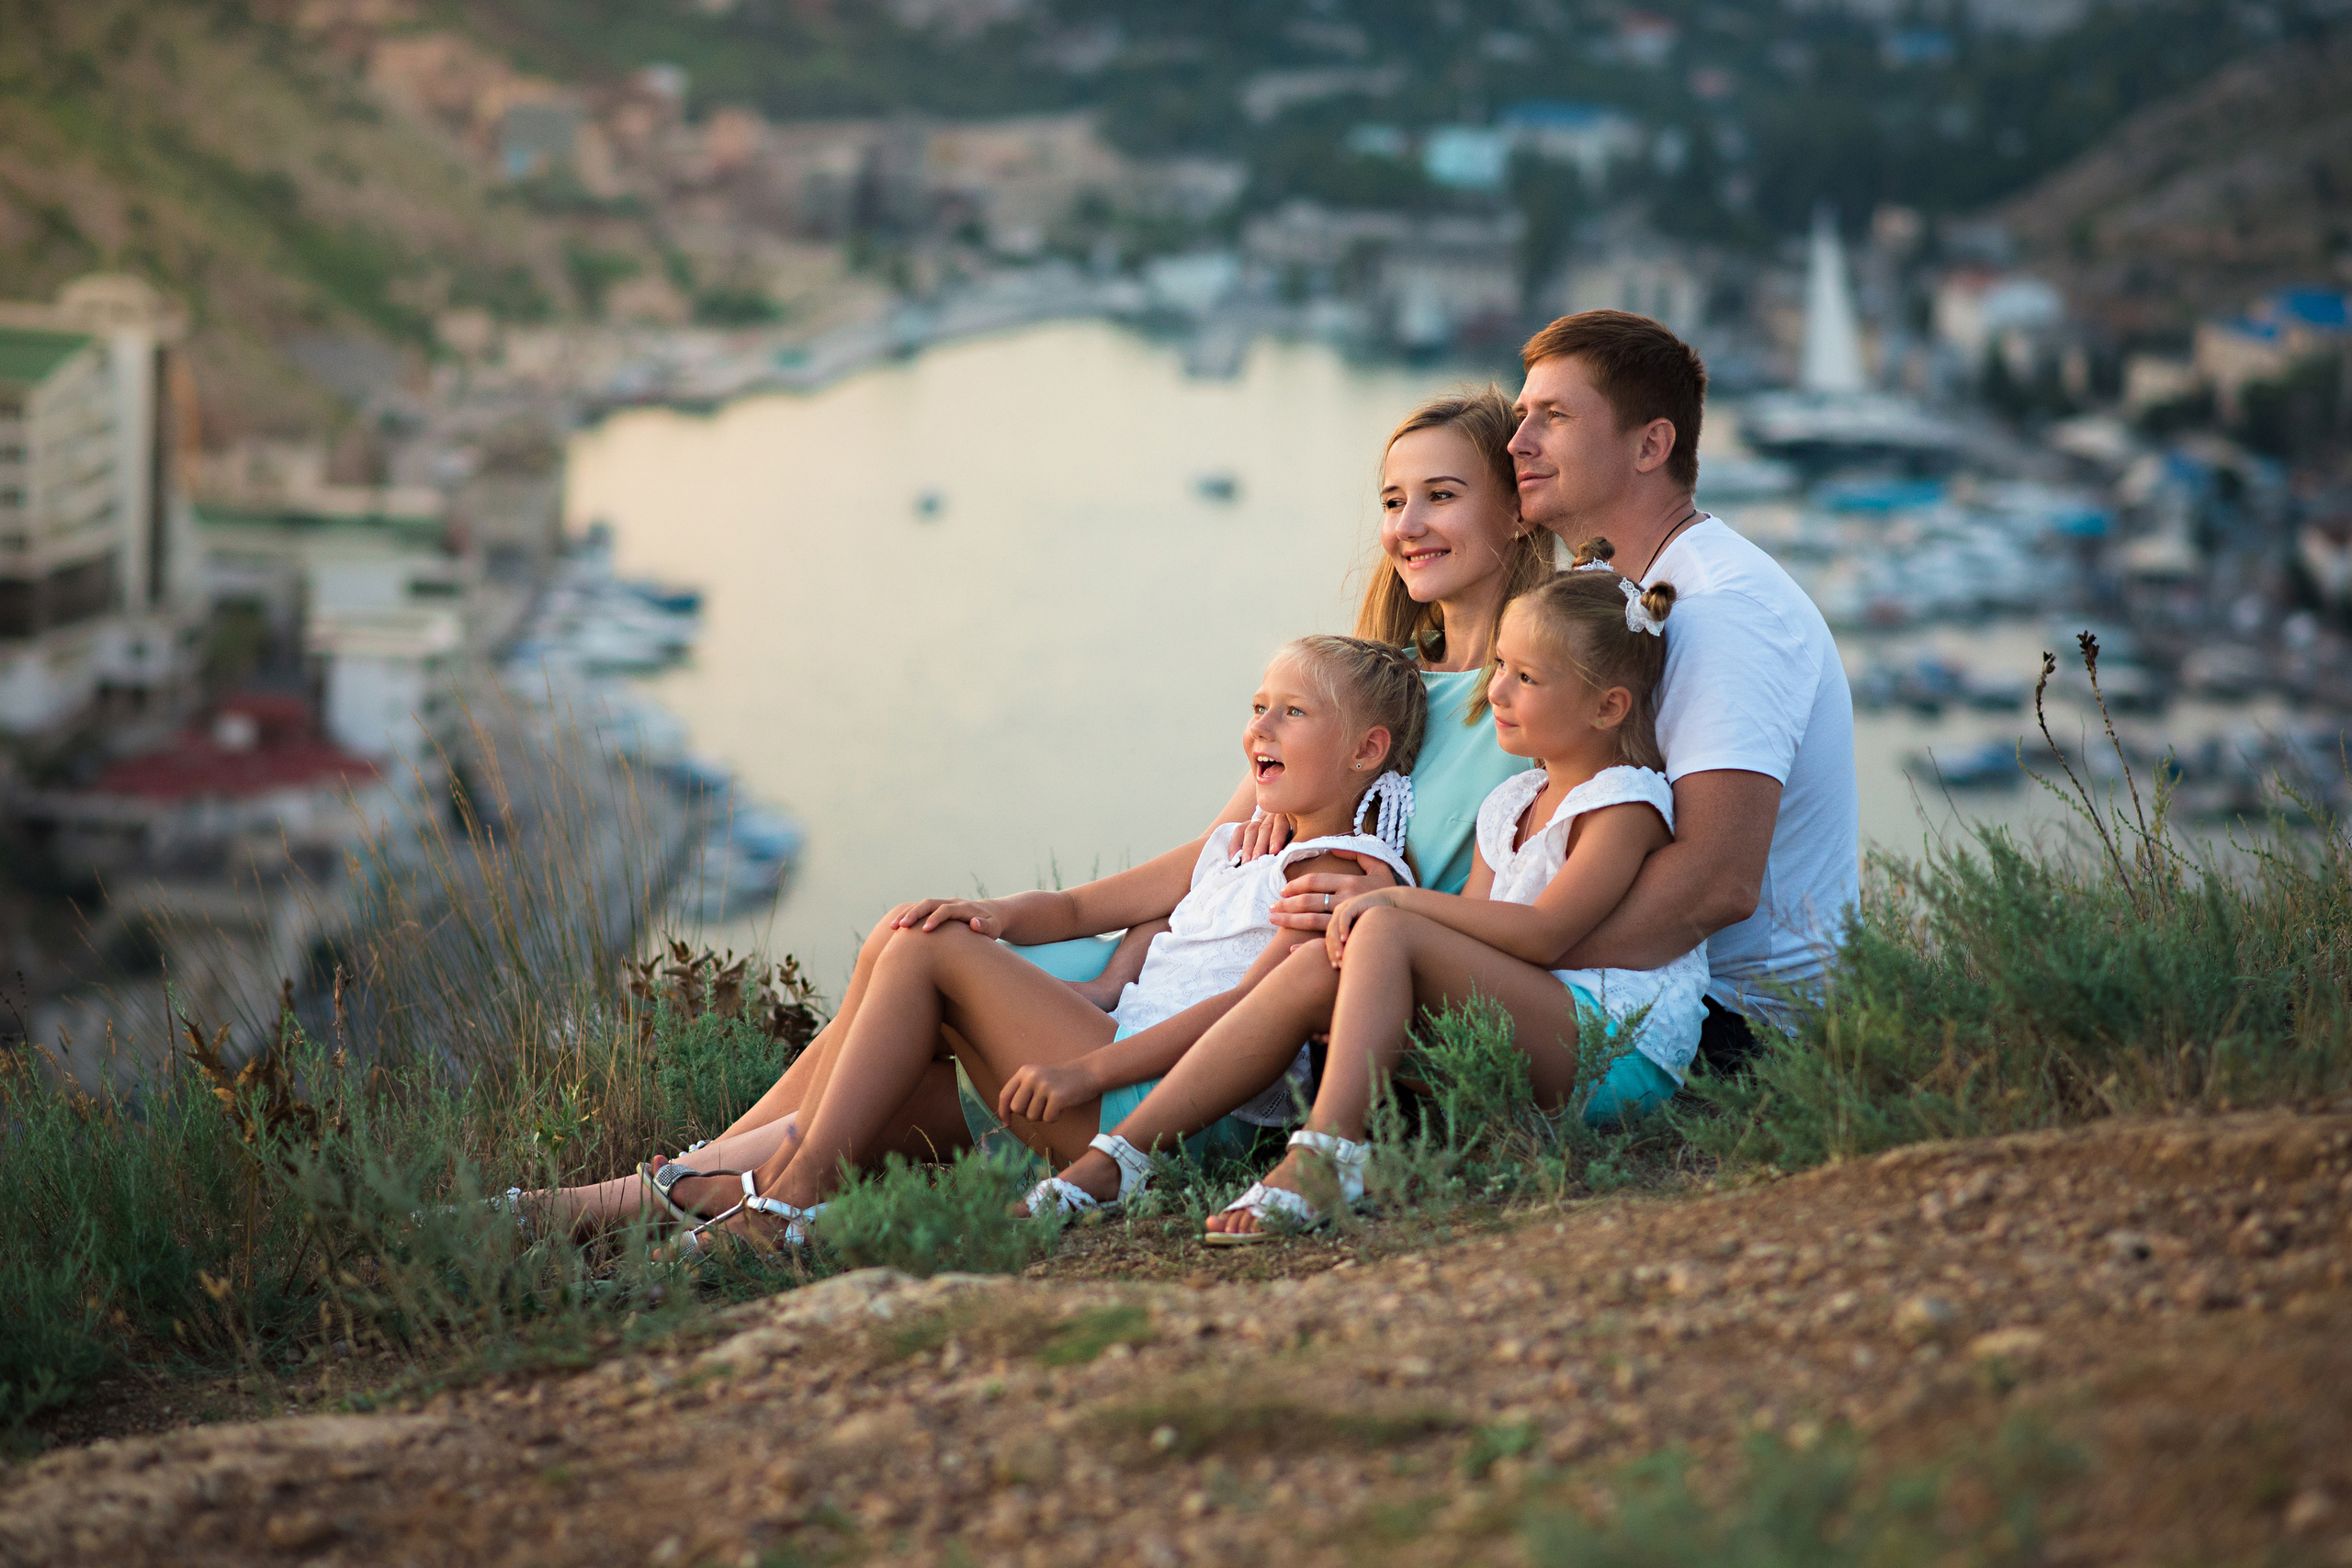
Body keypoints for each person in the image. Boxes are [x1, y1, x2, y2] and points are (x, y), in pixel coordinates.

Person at [545, 387, 1550, 1231]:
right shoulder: (1358, 688)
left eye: (1442, 497)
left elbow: (1446, 906)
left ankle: (722, 1199)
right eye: (1392, 500)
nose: (1408, 525)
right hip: (1172, 995)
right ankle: (677, 1189)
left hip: (1236, 1041)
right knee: (908, 946)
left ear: (1515, 510)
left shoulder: (1520, 701)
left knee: (925, 978)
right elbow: (1218, 864)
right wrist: (1096, 948)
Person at [662, 636, 1427, 1251]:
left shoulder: (1336, 873)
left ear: (1365, 751)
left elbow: (1248, 1014)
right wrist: (988, 913)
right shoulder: (1232, 845)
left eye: (1291, 713)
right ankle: (771, 1181)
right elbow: (1076, 903)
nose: (1256, 729)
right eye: (1259, 706)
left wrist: (1085, 1066)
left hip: (1171, 1114)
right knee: (920, 933)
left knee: (928, 952)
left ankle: (794, 1194)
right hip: (1114, 1062)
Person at [1042, 555, 1707, 1235]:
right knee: (1318, 964)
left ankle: (1329, 1154)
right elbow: (1476, 930)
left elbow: (1541, 936)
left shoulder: (1623, 802)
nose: (1497, 692)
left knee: (1381, 930)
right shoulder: (1510, 802)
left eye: (1526, 677)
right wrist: (1365, 949)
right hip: (1530, 1025)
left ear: (1609, 706)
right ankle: (1118, 1157)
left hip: (1615, 1051)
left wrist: (1392, 902)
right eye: (1499, 666)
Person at [1264, 312, 1860, 1068]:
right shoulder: (1607, 597)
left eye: (1554, 417)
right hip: (1618, 988)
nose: (1517, 444)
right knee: (1330, 977)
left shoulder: (1724, 609)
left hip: (1741, 1029)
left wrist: (1486, 958)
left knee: (1353, 978)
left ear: (1651, 445)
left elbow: (1715, 887)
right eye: (1521, 419)